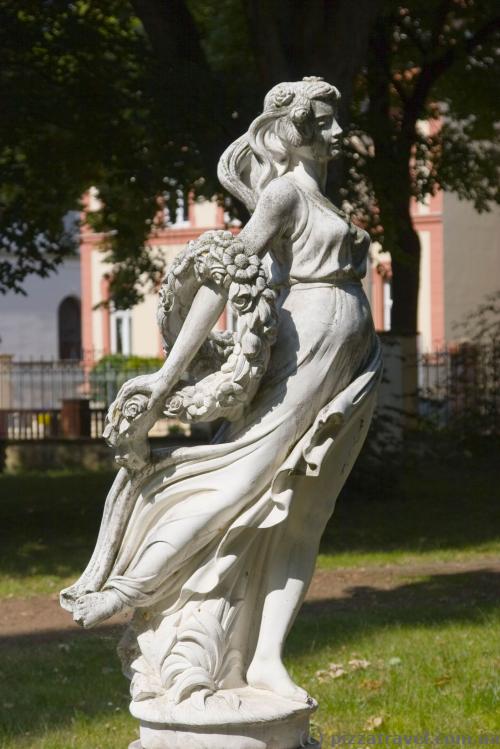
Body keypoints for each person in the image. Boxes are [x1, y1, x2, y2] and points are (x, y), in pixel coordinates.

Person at [61, 76, 382, 704]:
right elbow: (223, 278)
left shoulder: (323, 196)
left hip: (354, 363)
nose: (338, 133)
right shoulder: (287, 195)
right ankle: (133, 586)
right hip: (308, 351)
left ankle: (265, 659)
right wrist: (168, 372)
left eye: (335, 119)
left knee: (306, 512)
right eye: (322, 121)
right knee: (242, 475)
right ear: (289, 127)